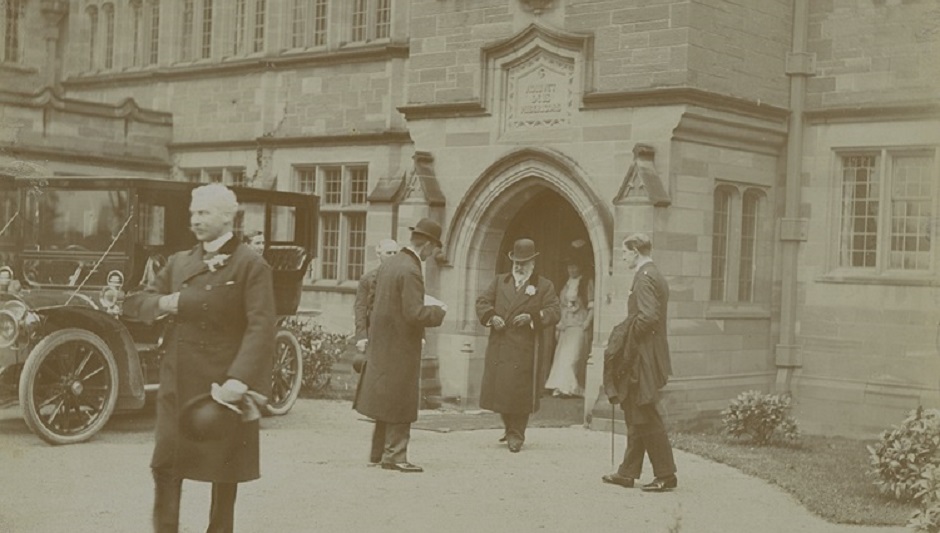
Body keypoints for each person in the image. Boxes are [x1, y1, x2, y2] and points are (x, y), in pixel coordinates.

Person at [124, 183, 276, 532]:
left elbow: (261, 326)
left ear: (227, 217)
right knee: (165, 466)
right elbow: (137, 302)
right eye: (193, 213)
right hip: (177, 383)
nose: (195, 220)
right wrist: (166, 302)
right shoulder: (180, 261)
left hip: (222, 386)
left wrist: (239, 379)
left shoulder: (250, 264)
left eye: (204, 213)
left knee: (224, 474)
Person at [352, 219, 447, 473]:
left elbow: (379, 302)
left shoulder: (390, 264)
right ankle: (395, 456)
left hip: (383, 342)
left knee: (385, 398)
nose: (431, 254)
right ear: (427, 245)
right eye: (433, 249)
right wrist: (439, 311)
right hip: (401, 345)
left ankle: (378, 453)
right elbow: (414, 313)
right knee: (401, 399)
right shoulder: (411, 270)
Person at [602, 233, 677, 492]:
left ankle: (666, 474)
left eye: (624, 252)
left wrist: (624, 338)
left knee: (645, 412)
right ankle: (627, 472)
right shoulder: (653, 274)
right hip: (647, 353)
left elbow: (648, 317)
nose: (623, 257)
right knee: (637, 412)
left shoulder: (644, 277)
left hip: (642, 356)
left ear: (635, 251)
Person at [475, 238, 561, 453]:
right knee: (502, 391)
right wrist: (492, 317)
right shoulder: (500, 282)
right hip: (501, 344)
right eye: (516, 262)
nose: (519, 267)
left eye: (524, 263)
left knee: (519, 393)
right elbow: (482, 302)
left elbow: (554, 311)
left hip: (525, 348)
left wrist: (532, 318)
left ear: (533, 263)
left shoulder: (543, 285)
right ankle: (509, 427)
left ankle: (517, 434)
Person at [544, 255, 593, 398]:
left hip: (579, 323)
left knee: (573, 356)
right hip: (566, 324)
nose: (571, 270)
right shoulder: (566, 284)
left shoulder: (586, 283)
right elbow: (561, 306)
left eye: (574, 266)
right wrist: (559, 324)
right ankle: (561, 386)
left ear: (580, 267)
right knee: (562, 356)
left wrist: (587, 322)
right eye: (569, 267)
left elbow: (592, 305)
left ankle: (571, 387)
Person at [353, 238, 400, 358]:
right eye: (388, 253)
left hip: (399, 334)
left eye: (395, 253)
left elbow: (414, 306)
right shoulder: (367, 279)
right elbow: (361, 308)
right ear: (378, 254)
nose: (393, 256)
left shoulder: (405, 277)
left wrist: (420, 336)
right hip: (376, 333)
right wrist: (362, 336)